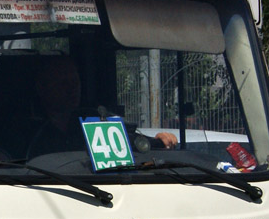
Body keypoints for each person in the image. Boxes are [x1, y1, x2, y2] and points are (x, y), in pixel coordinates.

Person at [26, 56, 177, 158]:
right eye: (63, 83)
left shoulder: (91, 120)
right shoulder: (26, 130)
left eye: (75, 82)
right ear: (42, 87)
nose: (72, 89)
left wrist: (157, 141)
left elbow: (122, 141)